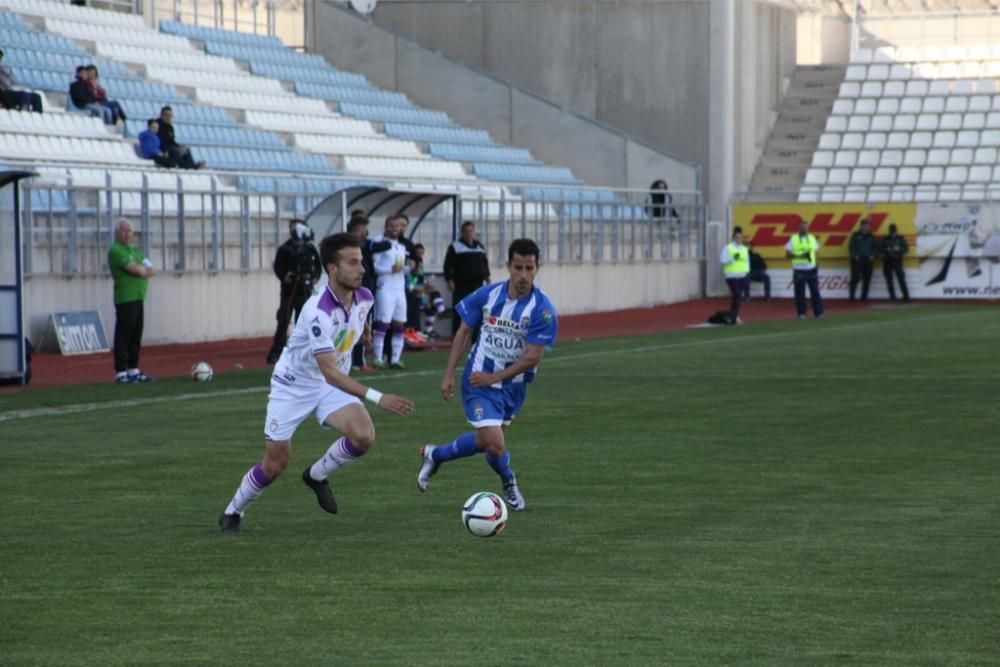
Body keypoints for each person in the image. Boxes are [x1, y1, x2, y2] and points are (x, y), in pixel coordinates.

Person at [218, 233, 415, 533]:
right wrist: (378, 397)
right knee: (275, 463)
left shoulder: (366, 296)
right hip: (294, 385)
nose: (361, 269)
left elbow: (354, 329)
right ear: (332, 269)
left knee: (363, 436)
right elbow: (330, 372)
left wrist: (363, 337)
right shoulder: (317, 311)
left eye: (361, 261)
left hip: (330, 384)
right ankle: (234, 510)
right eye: (352, 263)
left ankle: (316, 475)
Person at [416, 238, 558, 511]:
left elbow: (533, 357)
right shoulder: (487, 296)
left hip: (513, 388)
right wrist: (448, 374)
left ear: (537, 268)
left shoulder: (543, 310)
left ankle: (436, 455)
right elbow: (464, 332)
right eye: (518, 267)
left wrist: (497, 378)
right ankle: (509, 480)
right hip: (478, 381)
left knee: (488, 444)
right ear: (508, 266)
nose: (523, 275)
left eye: (529, 268)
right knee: (495, 442)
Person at [107, 218, 155, 383]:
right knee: (123, 334)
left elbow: (150, 269)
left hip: (138, 297)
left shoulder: (136, 251)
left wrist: (142, 270)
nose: (127, 234)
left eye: (130, 231)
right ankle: (121, 371)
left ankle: (133, 368)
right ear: (117, 233)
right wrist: (141, 270)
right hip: (125, 298)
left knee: (136, 334)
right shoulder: (116, 251)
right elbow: (136, 270)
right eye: (124, 231)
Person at [267, 220, 322, 364]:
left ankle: (302, 353)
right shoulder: (285, 249)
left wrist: (313, 277)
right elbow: (278, 267)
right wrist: (287, 277)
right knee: (283, 320)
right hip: (289, 291)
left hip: (305, 292)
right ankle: (277, 351)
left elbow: (317, 266)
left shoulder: (309, 249)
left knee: (303, 322)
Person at [371, 215, 410, 369]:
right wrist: (389, 270)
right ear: (386, 227)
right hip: (385, 288)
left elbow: (401, 270)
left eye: (398, 226)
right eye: (392, 226)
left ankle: (395, 359)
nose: (395, 229)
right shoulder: (380, 243)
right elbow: (374, 267)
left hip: (400, 290)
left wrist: (410, 268)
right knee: (382, 324)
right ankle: (378, 358)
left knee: (399, 325)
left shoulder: (401, 247)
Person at [443, 221, 490, 338]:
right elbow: (448, 264)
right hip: (461, 285)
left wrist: (487, 276)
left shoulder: (480, 246)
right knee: (461, 311)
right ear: (462, 233)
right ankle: (457, 337)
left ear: (474, 232)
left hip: (477, 284)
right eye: (467, 231)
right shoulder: (455, 246)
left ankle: (476, 338)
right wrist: (449, 280)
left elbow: (484, 262)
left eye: (471, 231)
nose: (469, 233)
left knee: (478, 310)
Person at [348, 214, 376, 372]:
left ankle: (358, 360)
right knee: (355, 321)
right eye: (362, 229)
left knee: (361, 321)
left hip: (365, 286)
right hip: (356, 286)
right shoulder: (354, 245)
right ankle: (354, 360)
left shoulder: (364, 244)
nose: (364, 232)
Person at [785, 218, 824, 319]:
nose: (805, 229)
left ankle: (819, 312)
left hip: (811, 268)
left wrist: (817, 265)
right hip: (799, 269)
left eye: (806, 227)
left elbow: (816, 253)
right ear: (799, 228)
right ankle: (802, 313)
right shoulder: (793, 239)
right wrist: (799, 256)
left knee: (815, 292)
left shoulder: (812, 238)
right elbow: (787, 254)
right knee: (800, 293)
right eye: (803, 227)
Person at [406, 243, 446, 338]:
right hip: (410, 297)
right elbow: (410, 288)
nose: (420, 255)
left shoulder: (419, 271)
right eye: (418, 253)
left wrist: (429, 287)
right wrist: (424, 290)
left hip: (420, 295)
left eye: (422, 253)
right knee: (428, 301)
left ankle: (429, 330)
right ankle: (441, 312)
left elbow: (424, 283)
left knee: (433, 297)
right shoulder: (408, 273)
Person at [156, 106, 205, 170]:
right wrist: (167, 149)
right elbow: (159, 140)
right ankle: (192, 167)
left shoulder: (170, 127)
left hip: (171, 147)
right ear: (161, 115)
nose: (169, 118)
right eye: (167, 115)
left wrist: (180, 147)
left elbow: (172, 141)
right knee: (175, 151)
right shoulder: (157, 125)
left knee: (186, 150)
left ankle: (192, 166)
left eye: (170, 116)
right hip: (163, 149)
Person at [720, 226, 748, 324]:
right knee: (737, 294)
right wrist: (730, 260)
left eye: (740, 237)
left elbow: (746, 261)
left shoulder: (744, 249)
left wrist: (747, 271)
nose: (739, 239)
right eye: (737, 237)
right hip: (731, 275)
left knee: (738, 297)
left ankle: (733, 316)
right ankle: (734, 316)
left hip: (742, 275)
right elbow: (723, 260)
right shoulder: (728, 248)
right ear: (733, 237)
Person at [848, 218, 877, 302]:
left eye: (868, 225)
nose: (867, 227)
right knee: (855, 279)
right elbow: (851, 247)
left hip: (868, 260)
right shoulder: (855, 235)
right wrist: (854, 255)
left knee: (867, 279)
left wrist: (873, 255)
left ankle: (864, 297)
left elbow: (875, 248)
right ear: (861, 226)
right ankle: (852, 297)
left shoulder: (871, 236)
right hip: (857, 260)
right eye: (865, 225)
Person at [881, 223, 910, 302]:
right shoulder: (885, 239)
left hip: (897, 261)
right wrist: (887, 250)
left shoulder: (900, 238)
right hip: (887, 261)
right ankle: (892, 297)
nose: (893, 233)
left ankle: (906, 297)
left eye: (894, 231)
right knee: (889, 281)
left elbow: (906, 249)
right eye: (891, 231)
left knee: (901, 280)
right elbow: (880, 249)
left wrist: (899, 249)